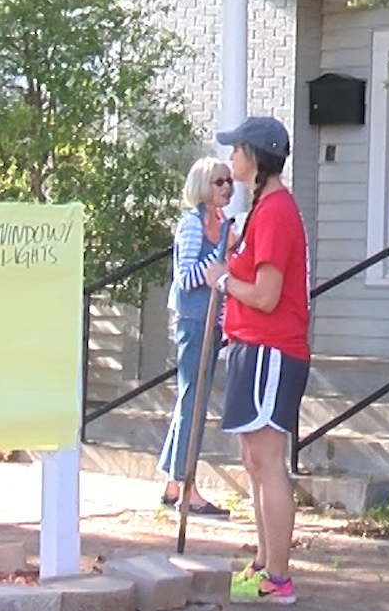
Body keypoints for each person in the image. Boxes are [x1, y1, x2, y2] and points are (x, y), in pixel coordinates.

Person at [202, 116, 309, 606]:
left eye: (237, 150)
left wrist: (223, 279)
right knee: (252, 460)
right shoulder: (260, 210)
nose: (231, 158)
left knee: (268, 462)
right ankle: (264, 564)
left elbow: (266, 296)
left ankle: (279, 578)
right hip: (252, 346)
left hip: (271, 348)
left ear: (256, 158)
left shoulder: (276, 213)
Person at [155, 156, 234, 516]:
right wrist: (221, 255)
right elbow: (185, 277)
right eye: (219, 181)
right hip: (192, 319)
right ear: (203, 185)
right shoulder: (191, 225)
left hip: (212, 320)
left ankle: (173, 483)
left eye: (229, 181)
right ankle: (187, 485)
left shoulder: (220, 222)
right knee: (192, 401)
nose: (227, 187)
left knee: (193, 401)